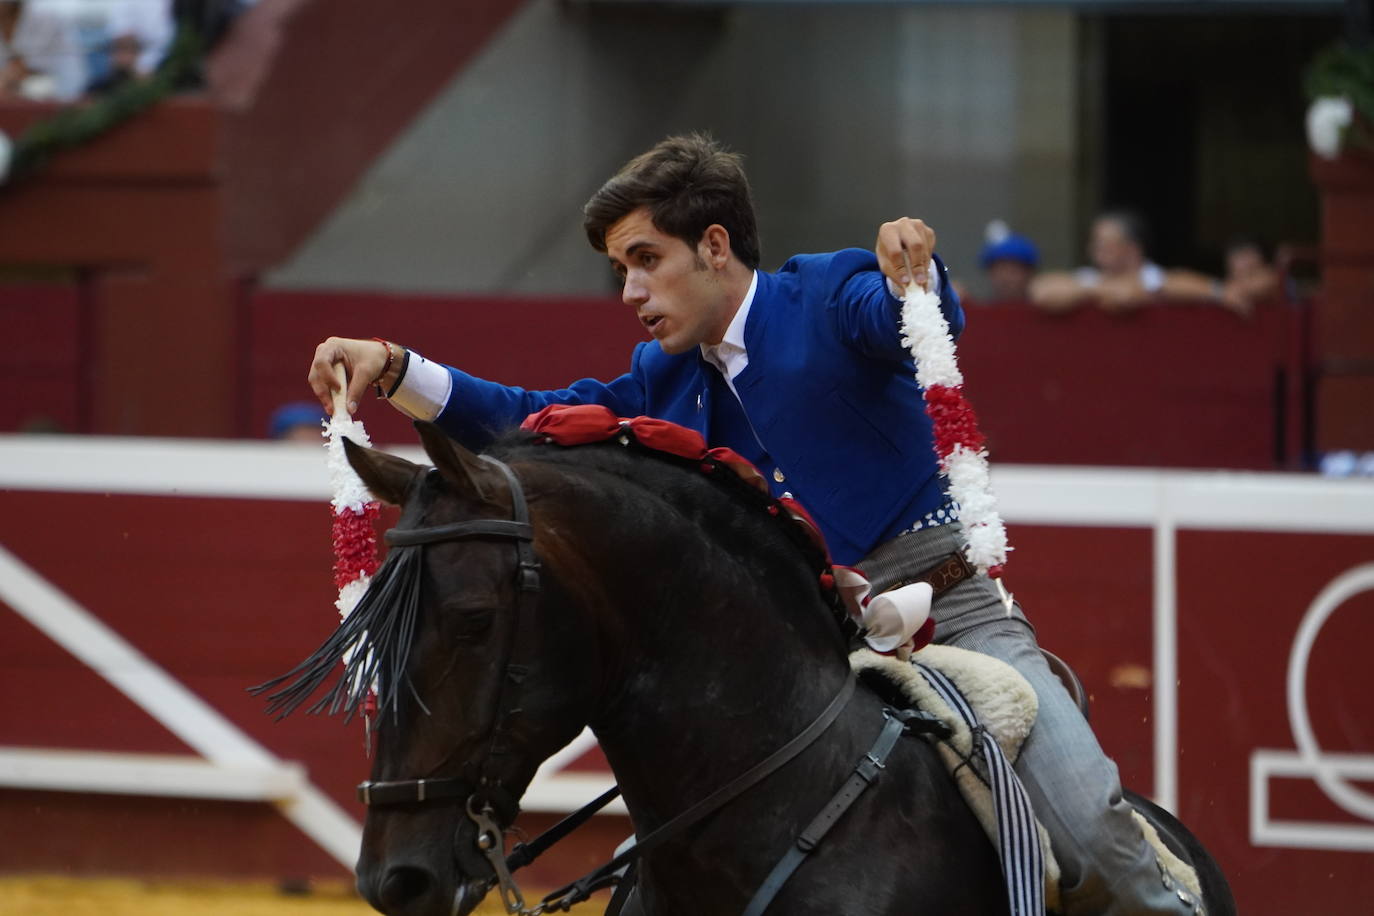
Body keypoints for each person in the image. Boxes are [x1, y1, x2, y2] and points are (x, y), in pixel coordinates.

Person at [307, 134, 1200, 915]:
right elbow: (533, 419)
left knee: (1093, 837)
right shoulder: (665, 379)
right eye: (621, 269)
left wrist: (912, 272)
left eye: (645, 259)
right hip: (809, 643)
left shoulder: (824, 293)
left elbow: (910, 316)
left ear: (716, 245)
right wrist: (393, 368)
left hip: (953, 617)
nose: (630, 290)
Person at [1030, 210, 1165, 313]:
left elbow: (1127, 296)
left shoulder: (1153, 276)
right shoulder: (1089, 278)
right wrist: (1098, 291)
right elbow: (1041, 290)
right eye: (1095, 242)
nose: (1095, 248)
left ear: (1132, 248)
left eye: (1104, 243)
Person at [978, 220, 1039, 302]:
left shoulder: (1043, 308)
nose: (1005, 278)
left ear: (1029, 273)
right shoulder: (982, 309)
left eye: (1013, 271)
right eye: (999, 270)